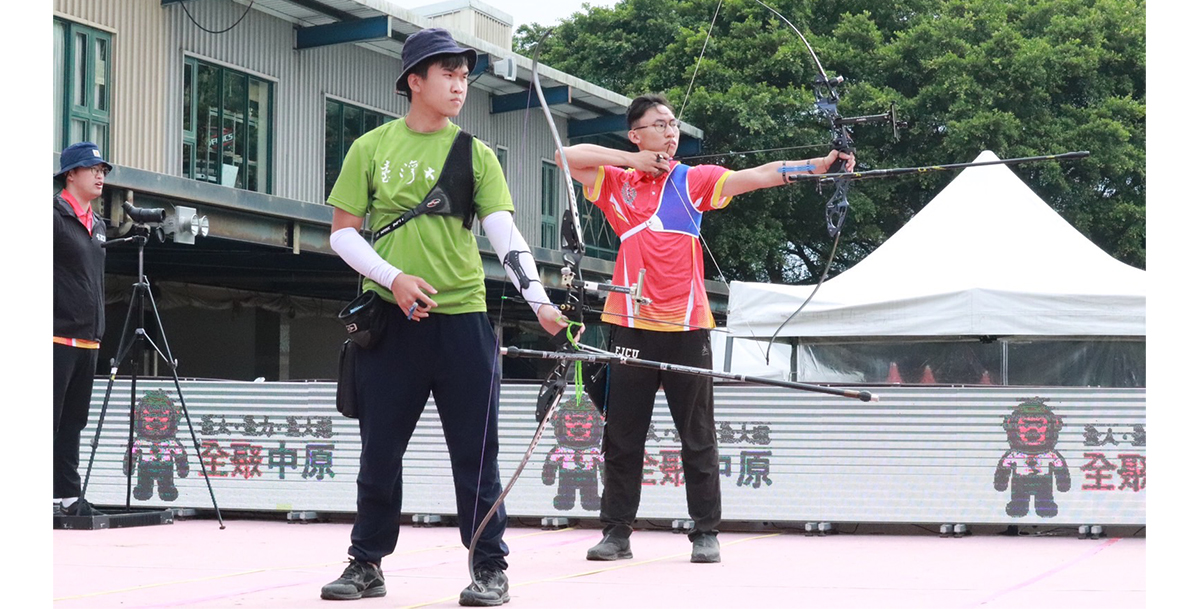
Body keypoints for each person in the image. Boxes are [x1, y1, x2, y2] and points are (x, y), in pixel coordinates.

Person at [319, 28, 567, 605]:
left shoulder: (475, 153)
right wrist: (394, 279)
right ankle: (366, 563)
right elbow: (342, 235)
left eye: (463, 76)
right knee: (380, 450)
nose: (459, 86)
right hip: (390, 320)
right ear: (415, 81)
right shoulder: (371, 147)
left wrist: (541, 303)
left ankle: (489, 568)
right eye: (447, 75)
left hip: (464, 321)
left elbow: (505, 234)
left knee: (476, 455)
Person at [557, 94, 854, 564]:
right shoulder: (617, 183)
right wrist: (630, 160)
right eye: (659, 125)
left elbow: (758, 176)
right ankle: (616, 532)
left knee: (696, 433)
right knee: (623, 434)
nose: (671, 132)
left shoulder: (692, 181)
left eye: (673, 124)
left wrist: (816, 166)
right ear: (637, 134)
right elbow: (564, 156)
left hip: (687, 325)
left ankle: (705, 532)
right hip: (631, 324)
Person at [53, 141, 112, 518]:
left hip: (88, 339)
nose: (100, 175)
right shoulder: (51, 215)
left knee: (74, 422)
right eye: (92, 168)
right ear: (70, 174)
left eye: (103, 170)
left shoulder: (99, 225)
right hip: (54, 335)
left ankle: (68, 496)